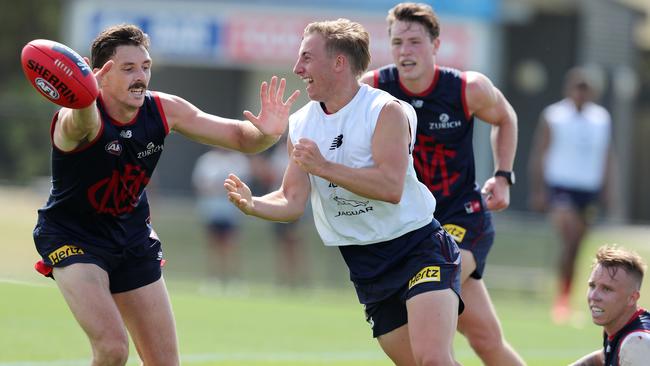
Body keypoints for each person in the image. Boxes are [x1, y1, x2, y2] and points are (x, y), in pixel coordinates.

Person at [31, 24, 299, 366]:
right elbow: (81, 122)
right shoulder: (79, 119)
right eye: (128, 69)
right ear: (99, 74)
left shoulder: (163, 109)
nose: (140, 76)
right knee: (113, 349)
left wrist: (268, 133)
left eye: (145, 66)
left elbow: (242, 138)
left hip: (132, 237)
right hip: (74, 238)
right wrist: (83, 91)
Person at [225, 18, 463, 365]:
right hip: (365, 264)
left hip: (418, 248)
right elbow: (291, 201)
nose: (297, 67)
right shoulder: (303, 123)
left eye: (307, 57)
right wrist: (253, 204)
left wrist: (323, 167)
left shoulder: (384, 111)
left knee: (434, 360)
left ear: (339, 63)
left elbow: (391, 186)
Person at [359, 3, 524, 365]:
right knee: (486, 339)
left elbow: (505, 117)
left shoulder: (468, 88)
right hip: (411, 229)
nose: (405, 51)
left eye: (415, 42)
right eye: (398, 42)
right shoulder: (372, 90)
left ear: (436, 44)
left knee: (425, 318)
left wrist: (503, 175)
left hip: (461, 218)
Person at [528, 66, 614, 324]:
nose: (581, 93)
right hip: (561, 185)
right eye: (578, 87)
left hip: (587, 189)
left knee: (577, 246)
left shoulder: (601, 119)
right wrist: (539, 190)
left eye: (586, 89)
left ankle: (568, 295)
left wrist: (610, 190)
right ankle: (561, 300)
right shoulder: (555, 115)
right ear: (569, 89)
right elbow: (540, 152)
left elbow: (607, 156)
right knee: (569, 236)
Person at [570, 245, 650, 366]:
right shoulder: (620, 329)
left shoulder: (636, 343)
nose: (594, 296)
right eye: (592, 286)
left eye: (607, 289)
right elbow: (600, 358)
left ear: (632, 298)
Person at [192, 147, 251, 285]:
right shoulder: (207, 160)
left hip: (231, 210)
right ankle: (213, 278)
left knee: (231, 245)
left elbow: (243, 185)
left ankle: (234, 279)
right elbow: (200, 184)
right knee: (213, 245)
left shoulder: (239, 160)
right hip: (211, 209)